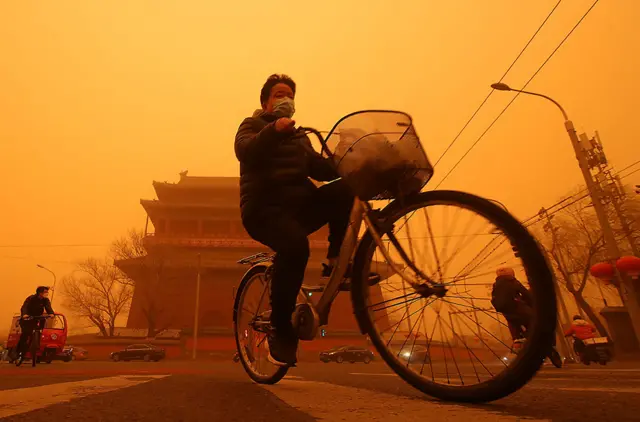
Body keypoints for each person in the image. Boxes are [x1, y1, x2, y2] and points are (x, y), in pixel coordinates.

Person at [235, 74, 356, 366]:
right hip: (264, 209)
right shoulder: (252, 125)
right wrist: (274, 129)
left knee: (347, 189)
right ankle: (281, 329)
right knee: (296, 246)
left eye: (289, 95)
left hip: (299, 207)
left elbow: (323, 169)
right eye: (279, 94)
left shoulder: (300, 137)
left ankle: (335, 260)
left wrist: (348, 156)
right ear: (265, 101)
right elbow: (245, 150)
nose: (285, 99)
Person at [490, 267, 533, 342]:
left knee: (512, 321)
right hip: (517, 307)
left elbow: (494, 297)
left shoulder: (495, 285)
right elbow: (525, 293)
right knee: (532, 317)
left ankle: (517, 338)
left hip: (504, 310)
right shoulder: (513, 281)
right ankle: (531, 335)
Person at [16, 286, 54, 358]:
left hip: (37, 317)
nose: (47, 294)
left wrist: (51, 313)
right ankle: (18, 351)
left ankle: (37, 338)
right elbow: (25, 307)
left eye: (47, 292)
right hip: (28, 317)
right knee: (26, 333)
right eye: (45, 292)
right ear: (40, 293)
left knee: (43, 321)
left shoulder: (45, 300)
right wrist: (24, 314)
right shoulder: (31, 298)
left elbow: (48, 307)